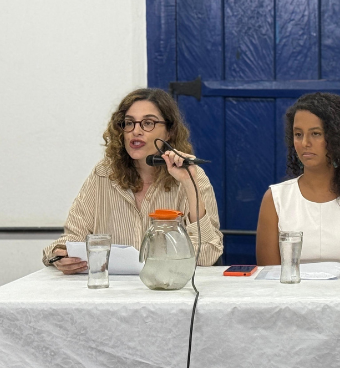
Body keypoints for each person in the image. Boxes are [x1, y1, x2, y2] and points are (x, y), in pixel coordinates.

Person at [43, 88, 224, 273]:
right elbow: (71, 241)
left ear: (169, 132)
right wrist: (59, 256)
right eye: (129, 123)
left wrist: (189, 183)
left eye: (148, 123)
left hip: (170, 291)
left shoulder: (193, 177)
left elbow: (207, 255)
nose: (136, 131)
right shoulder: (104, 174)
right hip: (114, 293)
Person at [255, 93, 340, 266]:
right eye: (298, 134)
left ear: (338, 138)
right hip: (291, 293)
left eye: (316, 134)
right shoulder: (275, 199)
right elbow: (270, 277)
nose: (304, 143)